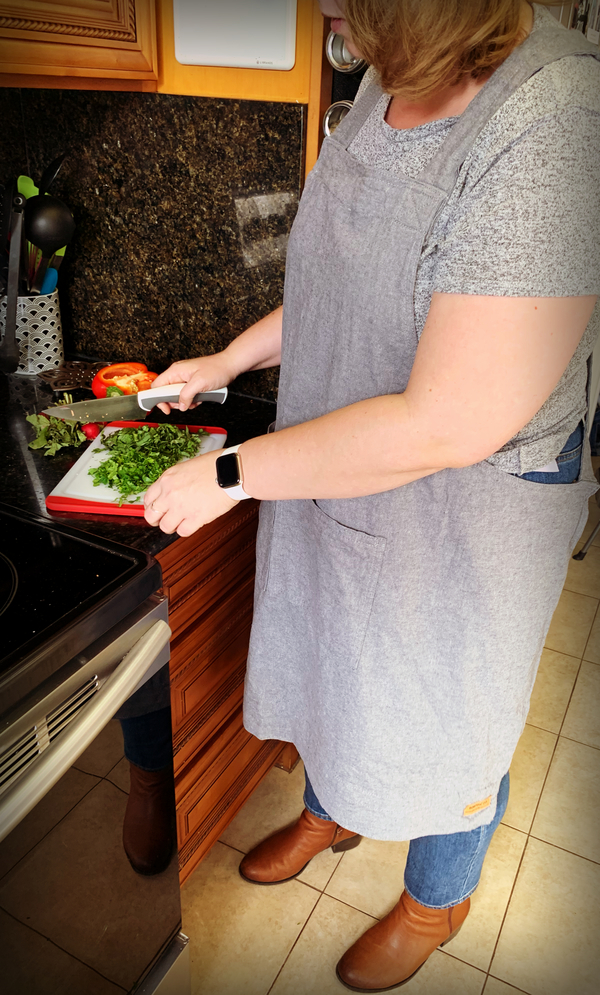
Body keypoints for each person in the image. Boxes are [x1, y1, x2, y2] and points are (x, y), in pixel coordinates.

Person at [144, 2, 600, 989]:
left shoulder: (557, 114)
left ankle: (437, 897)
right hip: (344, 443)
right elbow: (336, 282)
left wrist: (229, 472)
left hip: (474, 492)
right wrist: (227, 357)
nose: (327, 10)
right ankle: (337, 803)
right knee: (339, 637)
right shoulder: (384, 73)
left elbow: (447, 422)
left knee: (452, 696)